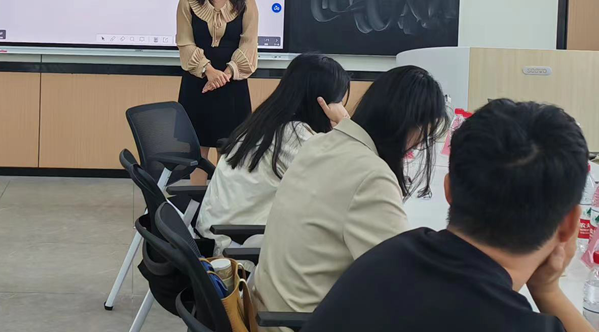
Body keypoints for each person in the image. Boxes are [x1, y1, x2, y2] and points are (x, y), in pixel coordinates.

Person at [303, 99, 593, 332]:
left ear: (449, 189)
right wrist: (548, 292)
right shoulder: (521, 325)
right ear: (569, 225)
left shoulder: (384, 257)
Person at [252, 65, 449, 314]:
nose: (418, 146)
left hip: (267, 308)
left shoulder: (319, 143)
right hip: (299, 321)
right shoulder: (371, 175)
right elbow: (403, 279)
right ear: (406, 127)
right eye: (423, 136)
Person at [196, 54, 351, 255]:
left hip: (220, 234)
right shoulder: (295, 136)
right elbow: (345, 183)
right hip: (239, 248)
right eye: (338, 101)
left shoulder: (265, 121)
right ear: (322, 102)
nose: (340, 108)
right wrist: (346, 125)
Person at [176, 0, 259, 165]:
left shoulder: (246, 0)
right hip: (198, 82)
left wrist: (227, 74)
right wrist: (209, 71)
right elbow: (185, 42)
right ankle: (197, 190)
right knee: (196, 153)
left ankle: (221, 191)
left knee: (229, 151)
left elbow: (249, 43)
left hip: (233, 84)